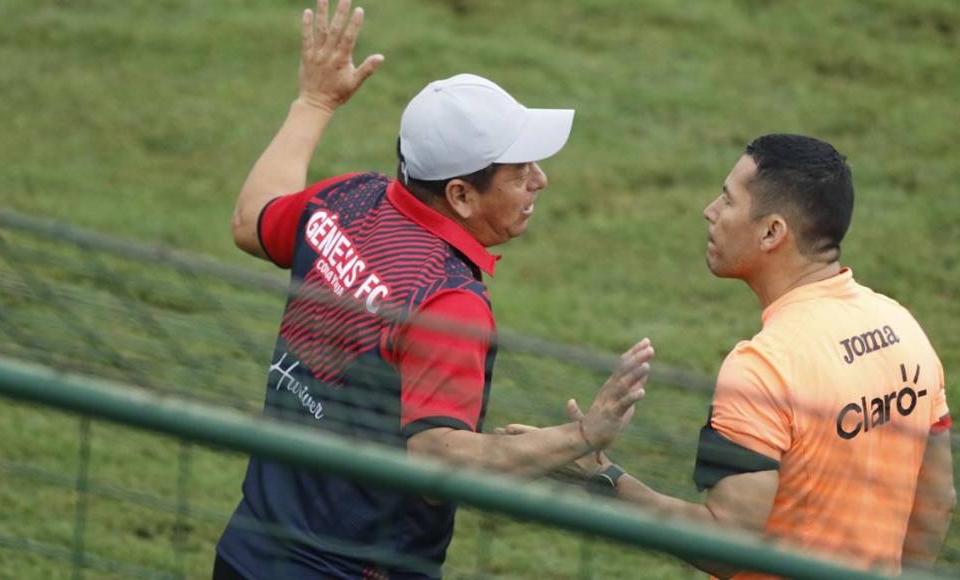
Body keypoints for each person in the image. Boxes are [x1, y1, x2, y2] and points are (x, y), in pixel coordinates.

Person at [213, 1, 654, 578]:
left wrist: (313, 103)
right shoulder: (447, 303)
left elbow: (251, 221)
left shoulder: (347, 199)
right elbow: (437, 463)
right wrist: (581, 436)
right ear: (461, 195)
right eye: (520, 170)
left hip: (246, 551)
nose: (540, 180)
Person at [512, 134, 956, 577]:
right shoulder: (902, 327)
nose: (710, 211)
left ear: (772, 232)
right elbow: (938, 501)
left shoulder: (763, 368)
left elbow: (725, 545)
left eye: (727, 200)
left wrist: (603, 478)